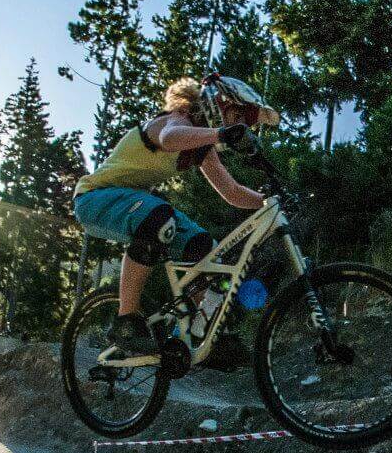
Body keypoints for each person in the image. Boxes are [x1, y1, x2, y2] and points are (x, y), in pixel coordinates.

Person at [72, 75, 279, 354]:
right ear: (217, 103)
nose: (237, 124)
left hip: (133, 203)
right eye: (236, 115)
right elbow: (170, 139)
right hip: (93, 199)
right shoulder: (178, 119)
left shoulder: (202, 147)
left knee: (204, 249)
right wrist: (219, 134)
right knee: (158, 218)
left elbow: (231, 192)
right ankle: (125, 321)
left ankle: (193, 336)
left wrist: (271, 203)